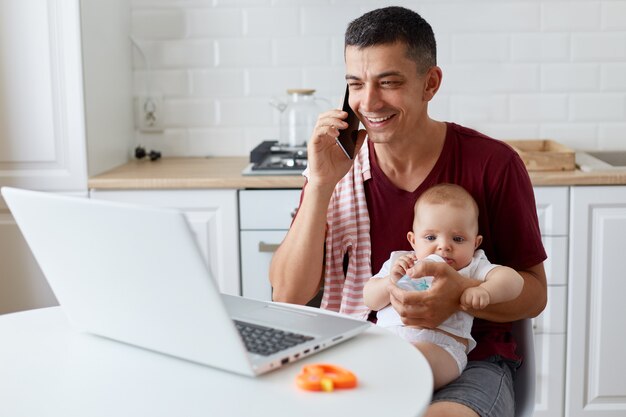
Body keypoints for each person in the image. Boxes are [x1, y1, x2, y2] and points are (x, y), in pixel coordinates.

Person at [269, 6, 547, 417]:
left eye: (389, 82)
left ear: (430, 83)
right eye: (356, 84)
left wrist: (460, 299)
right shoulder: (336, 166)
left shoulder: (493, 164)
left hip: (471, 361)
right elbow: (288, 295)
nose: (368, 102)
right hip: (368, 350)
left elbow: (535, 294)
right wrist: (321, 185)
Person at [364, 183, 524, 390]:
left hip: (442, 349)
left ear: (475, 243)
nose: (444, 246)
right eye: (431, 237)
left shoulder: (472, 266)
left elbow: (514, 281)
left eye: (458, 239)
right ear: (413, 240)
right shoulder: (401, 261)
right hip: (388, 342)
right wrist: (390, 281)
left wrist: (485, 291)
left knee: (415, 363)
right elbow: (370, 299)